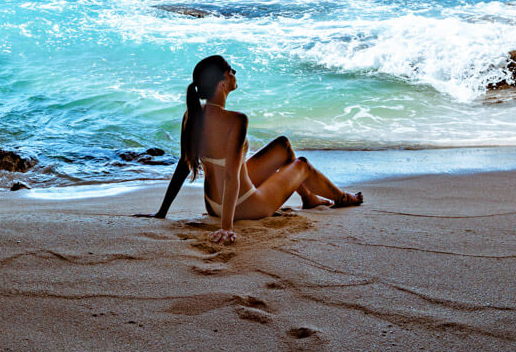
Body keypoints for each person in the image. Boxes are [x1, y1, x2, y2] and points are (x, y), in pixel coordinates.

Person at [143, 55, 363, 244]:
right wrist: (227, 227)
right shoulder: (237, 120)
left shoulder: (192, 115)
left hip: (213, 204)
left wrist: (162, 212)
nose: (234, 74)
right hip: (242, 205)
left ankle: (309, 198)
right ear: (221, 83)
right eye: (231, 71)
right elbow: (230, 174)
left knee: (283, 146)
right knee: (302, 165)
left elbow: (184, 164)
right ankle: (343, 197)